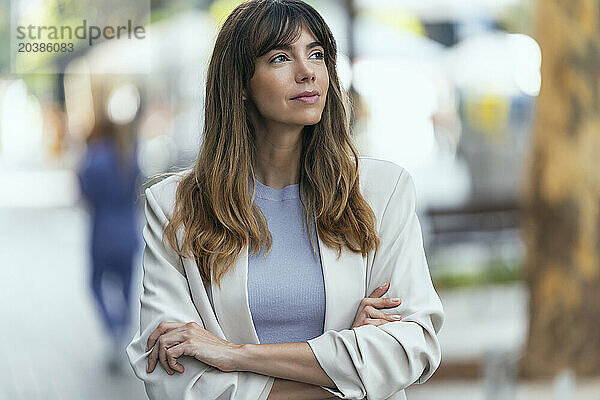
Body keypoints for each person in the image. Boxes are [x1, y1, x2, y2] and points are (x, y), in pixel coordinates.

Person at [126, 0, 444, 399]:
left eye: (316, 54)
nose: (307, 71)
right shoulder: (175, 206)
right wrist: (345, 369)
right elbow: (171, 373)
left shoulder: (382, 192)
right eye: (280, 57)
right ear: (240, 83)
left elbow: (411, 347)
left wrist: (235, 355)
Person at [78, 116, 140, 373]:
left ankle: (112, 326)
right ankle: (122, 329)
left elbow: (82, 191)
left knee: (94, 282)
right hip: (128, 230)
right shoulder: (132, 154)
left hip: (103, 229)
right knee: (126, 285)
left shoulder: (95, 156)